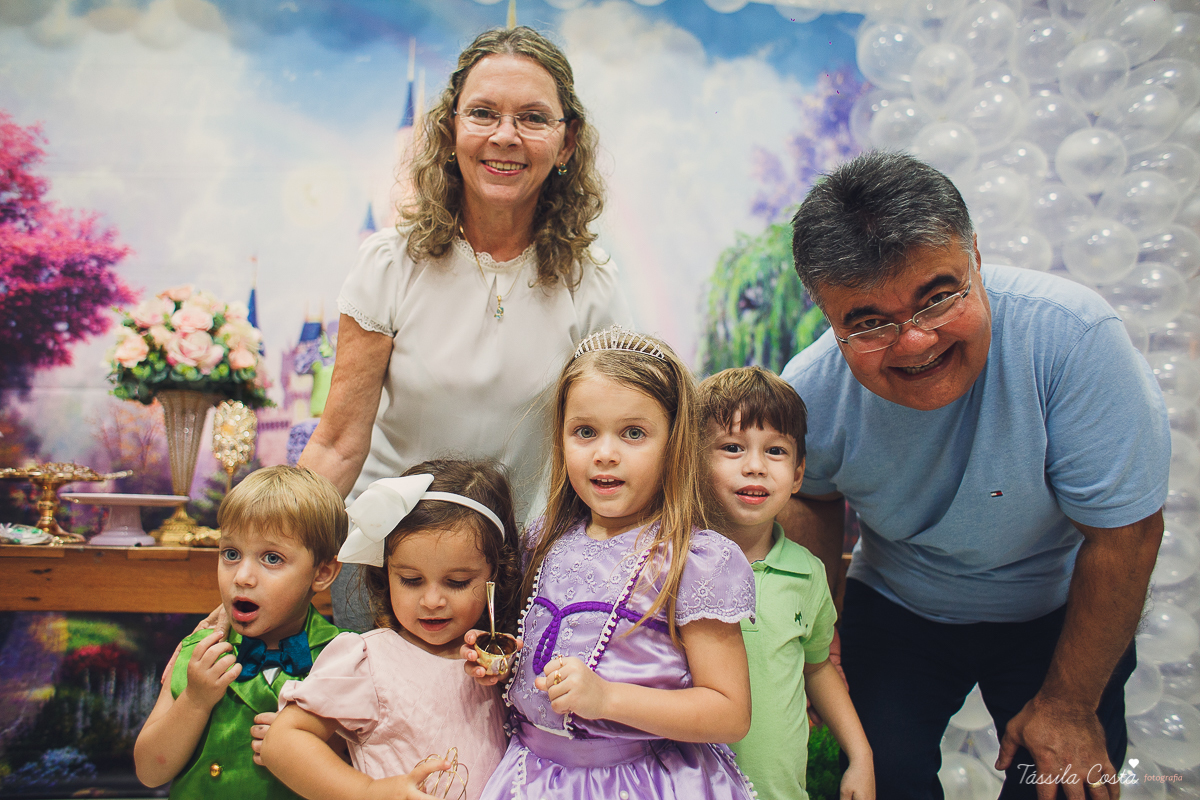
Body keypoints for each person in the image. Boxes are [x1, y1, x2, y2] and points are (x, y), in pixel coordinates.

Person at [779, 151, 1170, 798]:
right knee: (873, 778)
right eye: (869, 323)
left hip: (1060, 603)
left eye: (937, 299)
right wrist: (815, 638)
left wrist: (1071, 704)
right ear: (830, 317)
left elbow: (1125, 533)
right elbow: (811, 497)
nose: (914, 342)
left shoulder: (1073, 337)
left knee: (1064, 785)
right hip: (898, 603)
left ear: (976, 257)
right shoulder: (812, 390)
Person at [297, 25, 630, 632]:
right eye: (483, 113)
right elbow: (339, 443)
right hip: (388, 571)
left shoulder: (592, 282)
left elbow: (610, 444)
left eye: (533, 118)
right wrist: (275, 557)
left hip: (520, 570)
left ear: (566, 143)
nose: (505, 136)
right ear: (451, 130)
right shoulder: (388, 264)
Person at [464, 326, 757, 800]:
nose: (604, 454)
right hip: (532, 778)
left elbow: (730, 713)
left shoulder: (694, 561)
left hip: (639, 782)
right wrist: (507, 664)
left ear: (675, 442)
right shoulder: (543, 539)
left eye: (633, 433)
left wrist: (607, 698)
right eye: (585, 432)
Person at [261, 459, 519, 800]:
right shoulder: (369, 661)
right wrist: (372, 791)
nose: (432, 601)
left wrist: (509, 672)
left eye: (457, 582)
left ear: (496, 576)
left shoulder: (499, 661)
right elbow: (282, 743)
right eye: (411, 580)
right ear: (387, 573)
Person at [699, 366, 874, 800]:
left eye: (775, 451)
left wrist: (860, 754)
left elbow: (817, 666)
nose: (755, 466)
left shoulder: (807, 573)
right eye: (733, 447)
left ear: (797, 475)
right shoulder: (673, 565)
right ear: (694, 464)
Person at [133, 466, 346, 798]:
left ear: (322, 573)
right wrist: (195, 701)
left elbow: (364, 776)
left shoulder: (345, 660)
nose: (242, 577)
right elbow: (149, 772)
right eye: (231, 554)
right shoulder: (199, 651)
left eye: (272, 558)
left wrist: (306, 746)